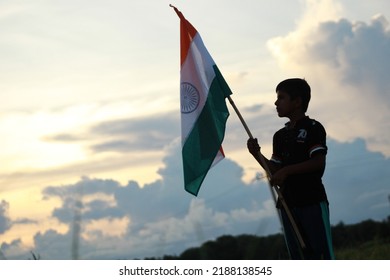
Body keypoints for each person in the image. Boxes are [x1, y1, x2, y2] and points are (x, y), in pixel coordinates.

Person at [247, 78, 334, 259]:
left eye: (281, 97)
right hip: (287, 204)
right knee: (298, 258)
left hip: (311, 201)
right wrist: (257, 155)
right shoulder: (280, 136)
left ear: (297, 102)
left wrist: (287, 171)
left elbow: (318, 162)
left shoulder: (313, 128)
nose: (276, 102)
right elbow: (275, 170)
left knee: (321, 255)